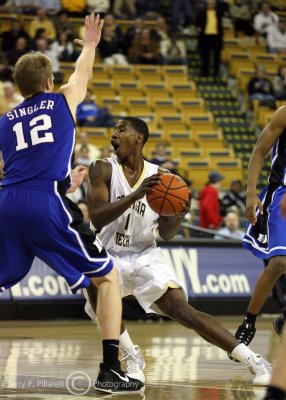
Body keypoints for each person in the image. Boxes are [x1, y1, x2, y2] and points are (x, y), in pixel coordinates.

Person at [0, 13, 143, 394]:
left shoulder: (4, 120)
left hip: (8, 201)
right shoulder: (61, 99)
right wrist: (92, 45)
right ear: (48, 82)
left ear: (18, 86)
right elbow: (82, 74)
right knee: (107, 276)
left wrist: (64, 180)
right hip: (43, 201)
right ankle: (111, 369)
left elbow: (12, 167)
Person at [84, 116, 272, 386]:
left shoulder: (163, 179)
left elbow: (167, 234)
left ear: (139, 137)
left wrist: (179, 215)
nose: (113, 135)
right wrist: (136, 196)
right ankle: (132, 357)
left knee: (182, 310)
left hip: (144, 253)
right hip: (107, 253)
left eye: (121, 129)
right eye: (113, 130)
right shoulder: (102, 169)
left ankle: (254, 360)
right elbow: (97, 218)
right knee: (93, 285)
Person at [234, 105, 286, 350]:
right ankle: (249, 323)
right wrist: (251, 193)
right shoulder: (284, 114)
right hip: (282, 194)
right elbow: (259, 151)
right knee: (279, 263)